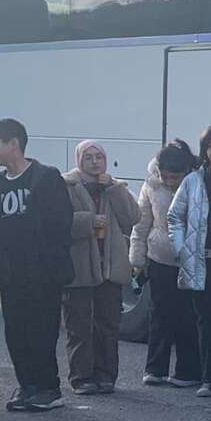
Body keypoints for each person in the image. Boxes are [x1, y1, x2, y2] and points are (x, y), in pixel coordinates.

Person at [0, 117, 73, 413]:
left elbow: (60, 224)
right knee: (16, 333)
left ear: (13, 144)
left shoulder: (45, 177)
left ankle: (48, 388)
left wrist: (45, 264)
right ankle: (27, 385)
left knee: (42, 331)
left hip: (42, 275)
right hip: (11, 277)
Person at [61, 140, 141, 395]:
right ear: (79, 161)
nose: (95, 162)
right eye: (89, 157)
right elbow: (56, 222)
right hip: (80, 265)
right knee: (79, 325)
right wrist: (88, 221)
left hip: (110, 265)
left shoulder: (114, 186)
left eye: (99, 157)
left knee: (108, 324)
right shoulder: (67, 186)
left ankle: (106, 374)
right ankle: (81, 377)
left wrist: (115, 190)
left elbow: (133, 217)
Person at [168, 124, 211, 397]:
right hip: (201, 261)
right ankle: (209, 379)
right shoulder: (194, 180)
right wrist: (181, 248)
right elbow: (175, 216)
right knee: (206, 322)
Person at [130, 141, 201, 389]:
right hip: (159, 257)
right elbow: (141, 223)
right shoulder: (151, 185)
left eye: (174, 177)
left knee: (187, 315)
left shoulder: (197, 184)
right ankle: (155, 369)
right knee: (159, 314)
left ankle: (187, 370)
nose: (168, 181)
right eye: (164, 176)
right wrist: (137, 259)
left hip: (190, 259)